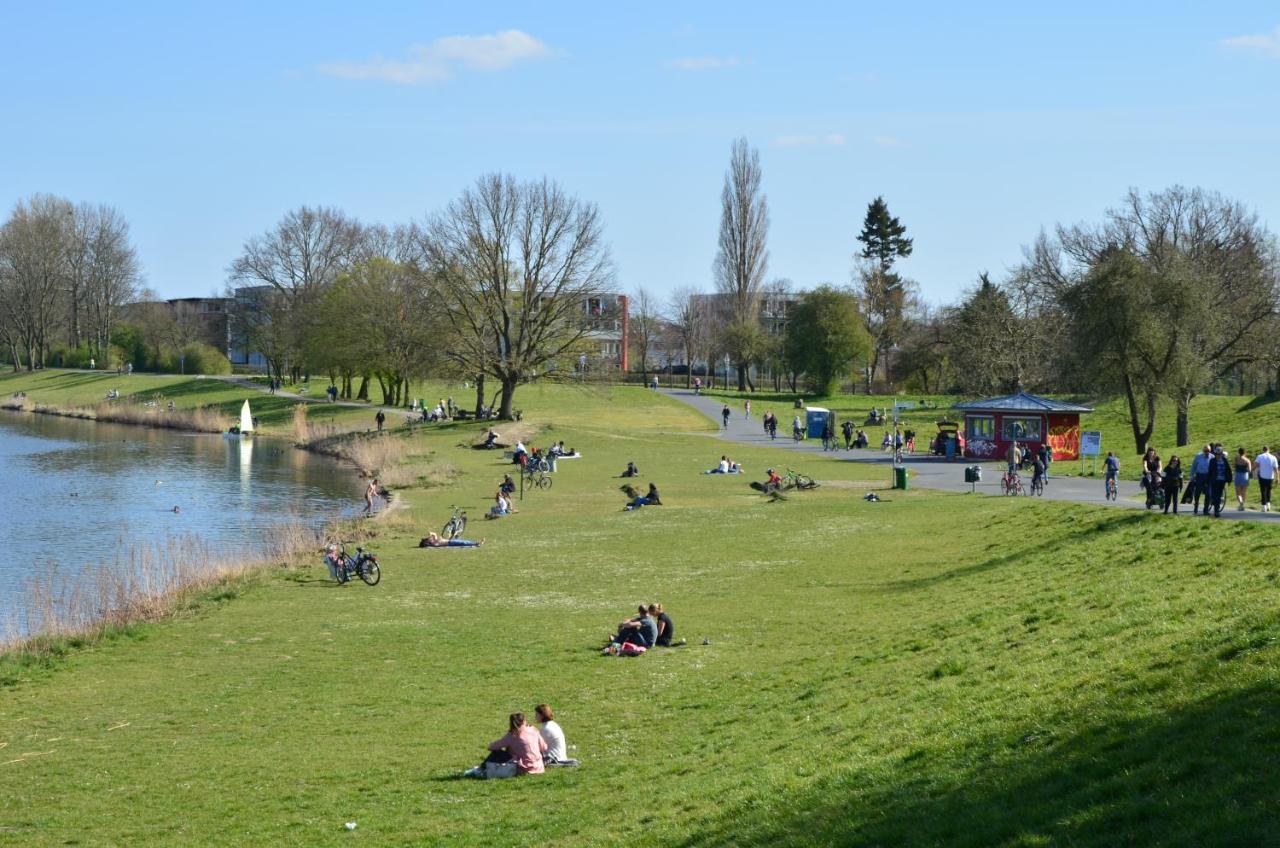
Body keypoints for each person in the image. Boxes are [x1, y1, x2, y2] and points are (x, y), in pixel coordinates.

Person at [475, 713, 546, 779]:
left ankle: (480, 769)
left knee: (497, 753)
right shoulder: (533, 730)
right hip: (539, 767)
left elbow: (492, 747)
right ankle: (482, 768)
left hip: (524, 769)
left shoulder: (513, 734)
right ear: (524, 721)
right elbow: (544, 747)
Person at [1207, 445, 1232, 518]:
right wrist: (1208, 480)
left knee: (1218, 496)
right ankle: (1216, 510)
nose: (1218, 455)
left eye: (1219, 454)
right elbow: (1210, 471)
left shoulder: (1224, 460)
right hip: (1214, 481)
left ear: (1221, 453)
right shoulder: (1212, 461)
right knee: (1216, 496)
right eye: (1216, 454)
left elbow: (1228, 470)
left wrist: (1229, 480)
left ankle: (1216, 510)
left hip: (1222, 481)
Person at [1189, 443, 1212, 514]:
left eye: (1208, 450)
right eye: (1205, 451)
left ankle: (1205, 510)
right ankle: (1196, 506)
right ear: (1203, 451)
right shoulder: (1198, 456)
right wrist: (1191, 475)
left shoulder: (1212, 457)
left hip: (1208, 477)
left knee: (1208, 493)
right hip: (1199, 476)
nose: (1207, 452)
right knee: (1197, 492)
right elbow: (1194, 466)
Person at [1255, 445, 1278, 512]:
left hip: (1262, 476)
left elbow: (1255, 464)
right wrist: (1278, 478)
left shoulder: (1260, 456)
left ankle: (1264, 506)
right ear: (1269, 450)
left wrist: (1251, 470)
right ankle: (1268, 504)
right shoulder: (1273, 457)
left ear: (1263, 450)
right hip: (1271, 477)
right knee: (1269, 490)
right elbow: (1276, 468)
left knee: (1263, 491)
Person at [1233, 447, 1253, 512]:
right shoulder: (1247, 460)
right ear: (1245, 452)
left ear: (1239, 452)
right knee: (1243, 492)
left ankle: (1241, 503)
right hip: (1245, 476)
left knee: (1238, 493)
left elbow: (1234, 466)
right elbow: (1249, 470)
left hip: (1238, 475)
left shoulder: (1236, 459)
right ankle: (1242, 505)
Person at [420, 532, 485, 548]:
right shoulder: (434, 544)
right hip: (450, 543)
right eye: (428, 540)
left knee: (464, 541)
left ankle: (476, 543)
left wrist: (430, 534)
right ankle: (477, 543)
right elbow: (435, 538)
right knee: (463, 543)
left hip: (450, 541)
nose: (430, 539)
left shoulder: (434, 541)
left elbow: (434, 534)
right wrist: (432, 537)